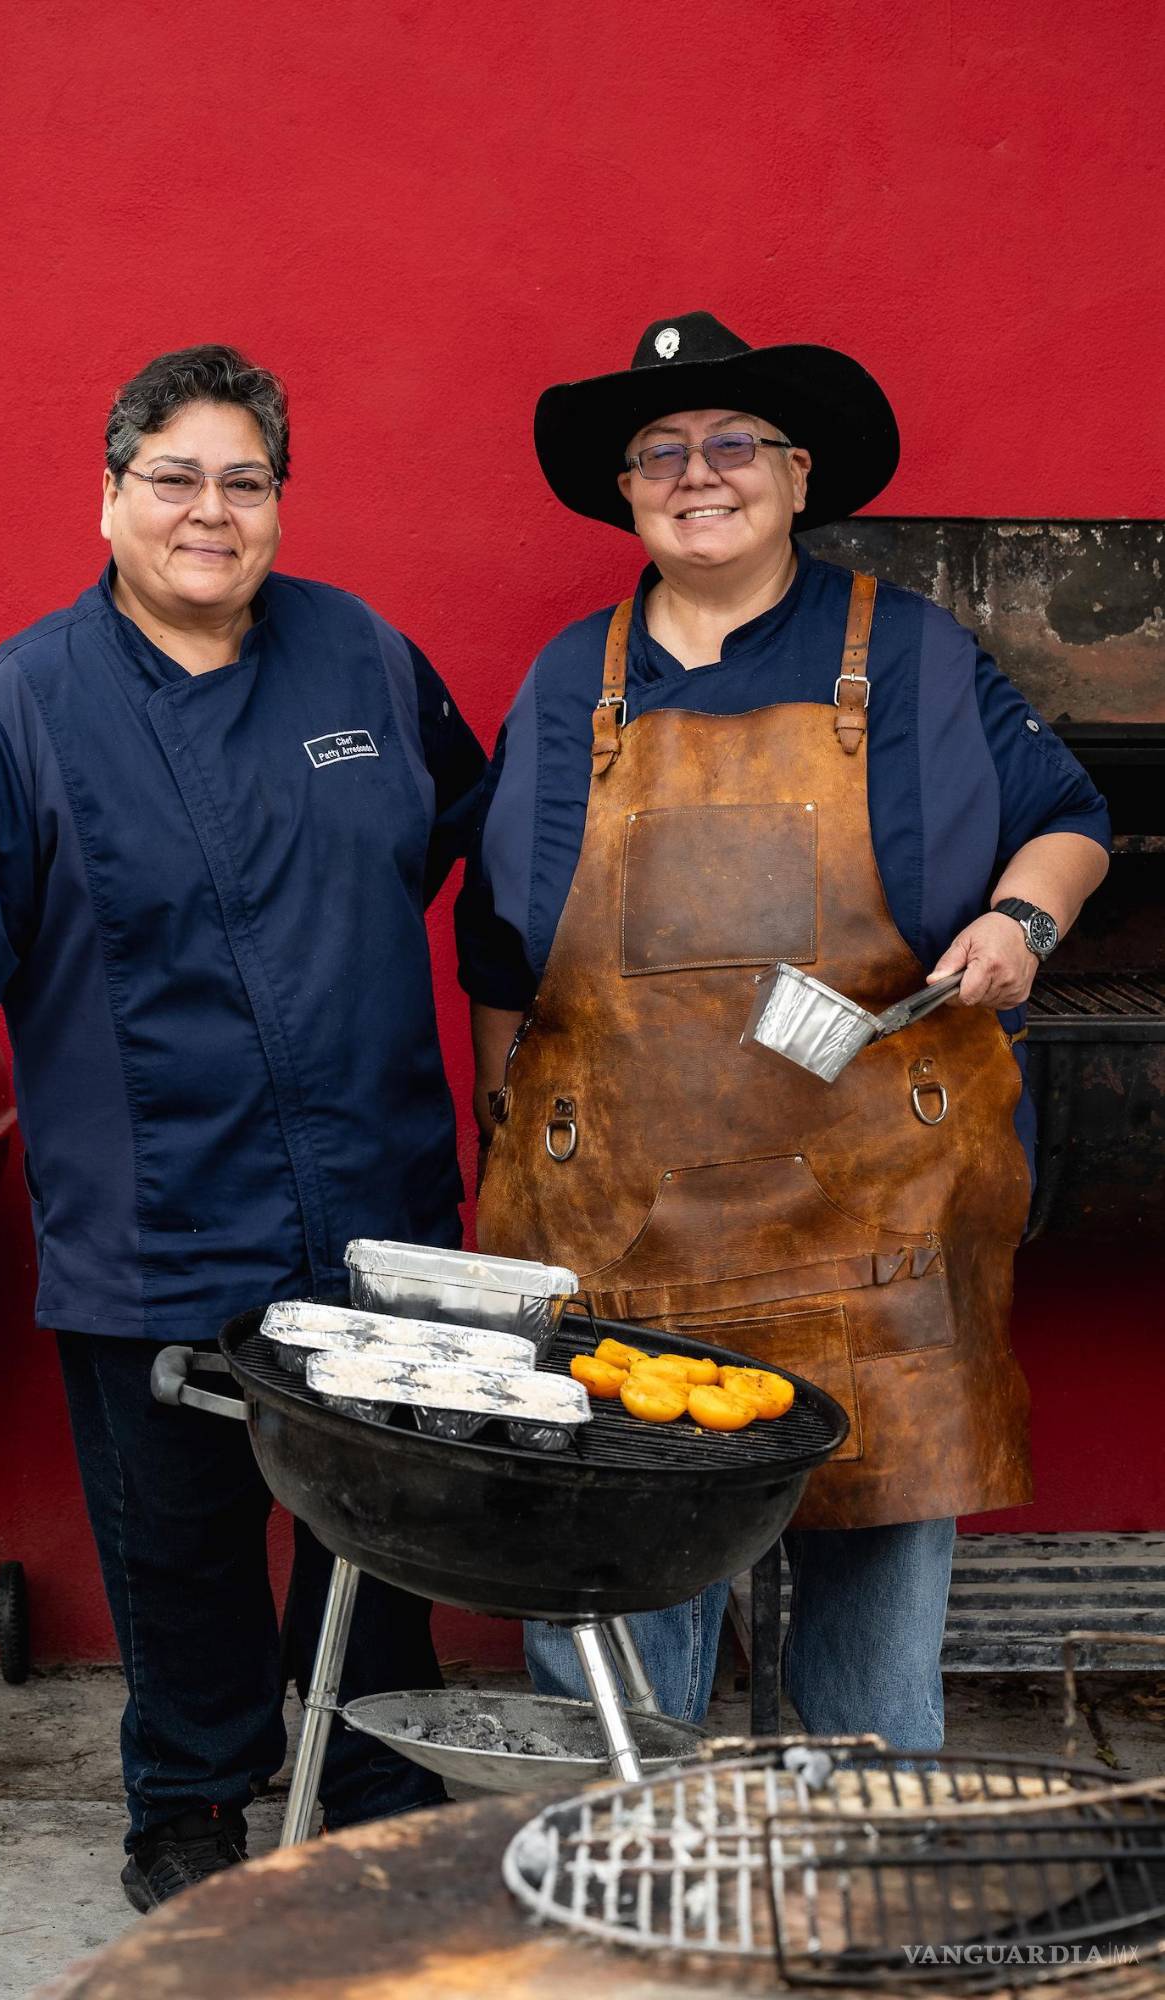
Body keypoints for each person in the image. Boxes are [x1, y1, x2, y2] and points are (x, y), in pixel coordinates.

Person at [0, 344, 486, 1908]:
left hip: (371, 1185)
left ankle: (368, 1785)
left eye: (245, 480)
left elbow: (464, 855)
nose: (210, 511)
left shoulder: (364, 657)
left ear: (279, 501)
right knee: (179, 1537)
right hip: (153, 1196)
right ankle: (191, 1801)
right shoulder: (18, 704)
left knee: (383, 1520)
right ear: (110, 497)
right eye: (175, 477)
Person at [457, 311, 1110, 1744]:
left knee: (869, 1691)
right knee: (617, 1677)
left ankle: (857, 1920)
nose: (701, 473)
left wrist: (1020, 925)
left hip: (875, 1243)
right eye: (660, 453)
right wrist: (517, 1134)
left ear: (798, 473)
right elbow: (500, 950)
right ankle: (630, 1931)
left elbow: (1066, 819)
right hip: (624, 1246)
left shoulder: (917, 656)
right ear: (626, 492)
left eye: (734, 442)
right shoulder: (574, 682)